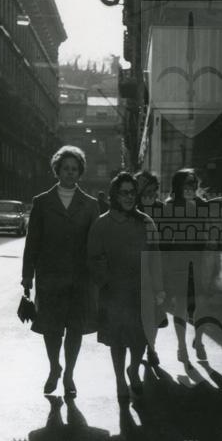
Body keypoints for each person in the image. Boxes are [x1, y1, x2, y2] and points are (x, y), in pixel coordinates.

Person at [21, 145, 100, 398]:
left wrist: (99, 274)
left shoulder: (91, 205)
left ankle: (69, 375)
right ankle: (55, 367)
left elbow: (96, 243)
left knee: (75, 328)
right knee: (51, 328)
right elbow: (32, 241)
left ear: (80, 172)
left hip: (80, 278)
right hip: (50, 277)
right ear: (57, 170)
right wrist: (27, 276)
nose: (70, 172)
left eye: (75, 169)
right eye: (65, 168)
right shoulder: (42, 202)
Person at [88, 172, 165, 402]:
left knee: (141, 338)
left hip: (142, 291)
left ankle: (134, 369)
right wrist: (105, 281)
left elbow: (155, 257)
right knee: (118, 340)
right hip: (114, 293)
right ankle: (120, 379)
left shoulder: (146, 222)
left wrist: (159, 288)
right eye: (124, 193)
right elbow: (93, 257)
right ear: (114, 195)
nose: (129, 197)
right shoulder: (102, 223)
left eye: (132, 192)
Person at [163, 168, 210, 366]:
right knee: (181, 305)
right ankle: (182, 346)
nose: (192, 187)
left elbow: (209, 232)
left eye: (194, 183)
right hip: (179, 261)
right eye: (188, 183)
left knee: (203, 304)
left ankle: (198, 340)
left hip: (200, 261)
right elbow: (166, 239)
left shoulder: (202, 204)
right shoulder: (170, 206)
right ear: (179, 186)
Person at [134, 170, 165, 367]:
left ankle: (151, 348)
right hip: (135, 268)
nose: (149, 195)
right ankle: (140, 349)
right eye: (144, 191)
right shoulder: (131, 209)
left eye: (152, 191)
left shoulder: (161, 209)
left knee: (154, 314)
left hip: (157, 267)